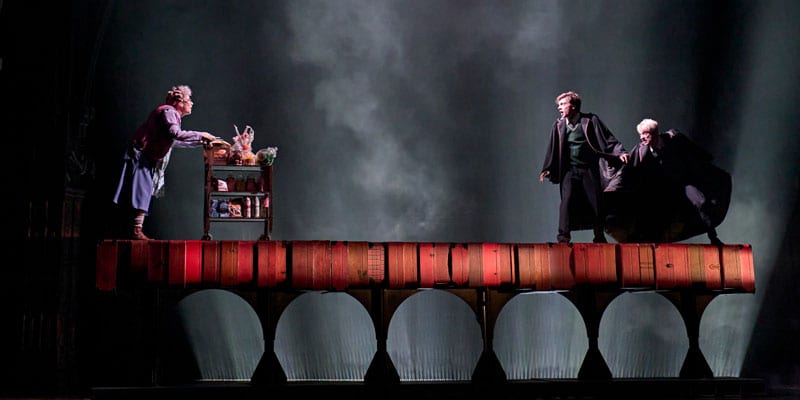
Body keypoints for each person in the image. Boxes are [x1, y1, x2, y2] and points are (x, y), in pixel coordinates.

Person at [112, 85, 217, 240]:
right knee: (141, 191)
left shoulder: (172, 115)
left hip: (146, 156)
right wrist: (201, 134)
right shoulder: (169, 111)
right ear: (179, 102)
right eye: (189, 99)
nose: (192, 103)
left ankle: (135, 228)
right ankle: (135, 229)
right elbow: (175, 134)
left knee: (143, 191)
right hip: (140, 155)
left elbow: (173, 141)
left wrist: (200, 141)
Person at [621, 118, 730, 245]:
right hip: (664, 188)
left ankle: (713, 237)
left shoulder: (673, 138)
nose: (642, 137)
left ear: (655, 133)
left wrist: (705, 160)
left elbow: (691, 149)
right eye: (640, 134)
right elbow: (630, 167)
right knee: (653, 212)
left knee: (701, 202)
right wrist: (621, 156)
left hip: (684, 182)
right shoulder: (640, 150)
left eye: (645, 134)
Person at [539, 91, 629, 243]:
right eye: (559, 105)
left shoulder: (590, 121)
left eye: (563, 104)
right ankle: (563, 237)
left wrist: (620, 152)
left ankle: (599, 236)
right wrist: (548, 168)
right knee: (566, 202)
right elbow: (553, 148)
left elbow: (608, 138)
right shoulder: (559, 125)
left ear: (573, 106)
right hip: (569, 170)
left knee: (596, 202)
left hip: (588, 169)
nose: (559, 108)